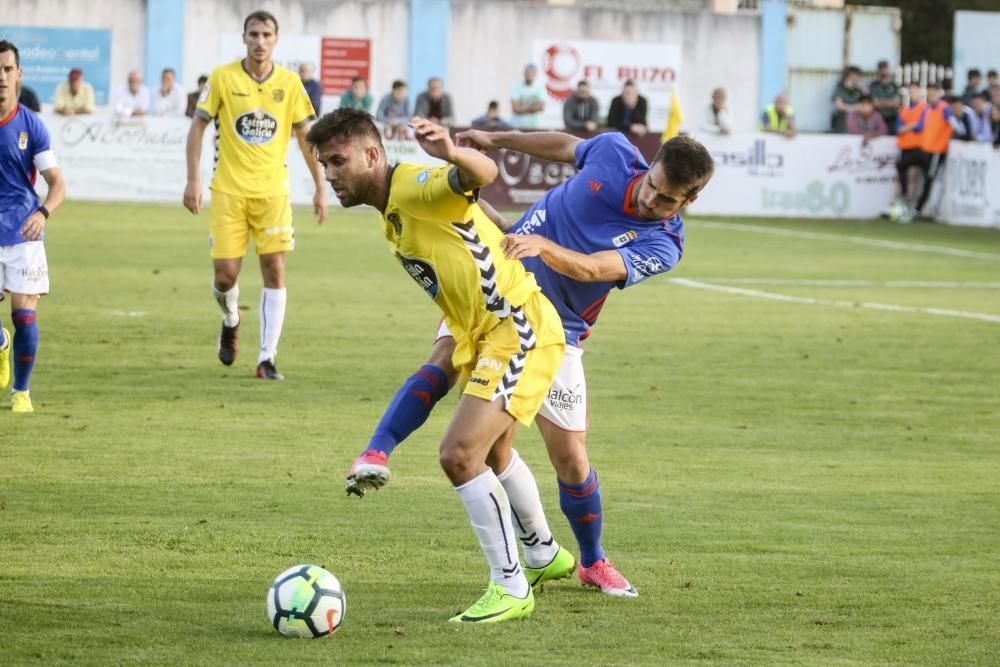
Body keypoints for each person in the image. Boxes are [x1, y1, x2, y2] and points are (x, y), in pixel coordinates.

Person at [345, 123, 715, 599]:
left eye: (667, 200)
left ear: (690, 200)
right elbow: (562, 146)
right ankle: (378, 453)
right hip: (493, 292)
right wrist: (498, 139)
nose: (651, 201)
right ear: (649, 165)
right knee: (448, 370)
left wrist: (545, 247)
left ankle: (592, 560)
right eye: (652, 186)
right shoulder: (614, 154)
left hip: (554, 330)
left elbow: (595, 268)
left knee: (570, 460)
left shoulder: (664, 244)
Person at [311, 109, 571, 623]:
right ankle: (542, 554)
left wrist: (452, 153)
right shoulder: (393, 212)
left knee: (459, 455)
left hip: (517, 328)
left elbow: (481, 175)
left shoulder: (413, 185)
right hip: (477, 330)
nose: (330, 174)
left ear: (372, 155)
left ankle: (511, 585)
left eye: (338, 161)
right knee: (493, 451)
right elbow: (430, 376)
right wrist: (379, 449)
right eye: (323, 165)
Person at [183, 10, 328, 380]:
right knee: (225, 277)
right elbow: (198, 127)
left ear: (275, 40)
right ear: (244, 38)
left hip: (273, 194)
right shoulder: (222, 78)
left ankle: (267, 359)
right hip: (229, 192)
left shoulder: (291, 83)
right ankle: (231, 317)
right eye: (254, 34)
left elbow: (305, 138)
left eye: (266, 34)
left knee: (275, 270)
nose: (260, 41)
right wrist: (193, 180)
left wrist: (319, 188)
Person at [0, 40, 66, 413]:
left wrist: (43, 213)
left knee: (24, 314)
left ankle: (21, 392)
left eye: (8, 69)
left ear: (19, 75)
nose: (1, 77)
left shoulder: (31, 125)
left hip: (23, 232)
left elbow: (57, 183)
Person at [915, 83, 953, 217]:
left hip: (937, 150)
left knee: (930, 179)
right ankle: (921, 207)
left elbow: (954, 124)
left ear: (938, 93)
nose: (930, 95)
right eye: (929, 93)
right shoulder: (927, 109)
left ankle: (919, 209)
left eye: (932, 92)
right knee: (924, 178)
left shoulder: (944, 108)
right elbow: (920, 126)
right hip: (925, 149)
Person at [892, 83, 928, 222]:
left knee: (913, 176)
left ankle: (909, 207)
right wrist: (911, 125)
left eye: (915, 90)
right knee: (901, 176)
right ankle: (899, 204)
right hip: (905, 147)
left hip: (918, 147)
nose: (913, 93)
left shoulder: (923, 108)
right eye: (911, 91)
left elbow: (921, 127)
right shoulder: (905, 110)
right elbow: (899, 128)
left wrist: (909, 126)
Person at [869, 60, 901, 135]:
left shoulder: (894, 85)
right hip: (877, 118)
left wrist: (881, 102)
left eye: (885, 68)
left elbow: (897, 102)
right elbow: (875, 103)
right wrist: (890, 102)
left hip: (892, 118)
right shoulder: (873, 85)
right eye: (881, 68)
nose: (883, 71)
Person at [510, 64, 546, 129]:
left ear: (535, 74)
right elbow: (515, 108)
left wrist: (522, 108)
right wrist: (533, 107)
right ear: (524, 73)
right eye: (527, 72)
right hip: (516, 126)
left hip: (533, 126)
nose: (529, 75)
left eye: (531, 73)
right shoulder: (516, 87)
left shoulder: (540, 88)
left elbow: (541, 107)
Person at [831, 66, 863, 133]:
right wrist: (855, 107)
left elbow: (864, 105)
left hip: (857, 120)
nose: (859, 78)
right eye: (857, 76)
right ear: (851, 75)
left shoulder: (858, 90)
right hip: (842, 120)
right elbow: (839, 106)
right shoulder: (840, 88)